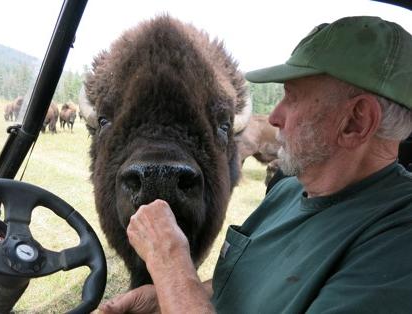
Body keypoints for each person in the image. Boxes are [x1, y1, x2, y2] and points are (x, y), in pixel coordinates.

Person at [98, 16, 412, 313]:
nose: (275, 116)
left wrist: (170, 265)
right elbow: (248, 285)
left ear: (355, 122)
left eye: (293, 98)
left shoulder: (398, 247)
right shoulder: (288, 193)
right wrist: (162, 296)